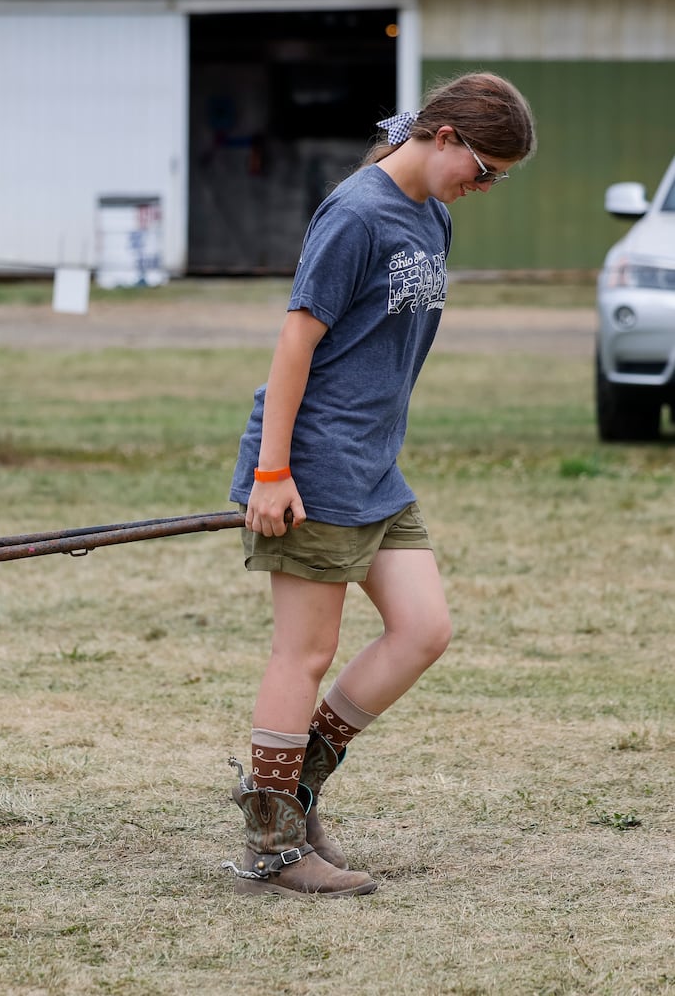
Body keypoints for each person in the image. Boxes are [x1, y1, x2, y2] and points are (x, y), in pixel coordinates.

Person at [221, 72, 537, 897]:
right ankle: (272, 845)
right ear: (442, 138)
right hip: (313, 463)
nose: (485, 186)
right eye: (485, 168)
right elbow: (295, 343)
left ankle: (296, 789)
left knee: (423, 629)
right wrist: (271, 471)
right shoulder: (356, 214)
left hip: (373, 465)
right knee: (306, 649)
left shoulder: (430, 215)